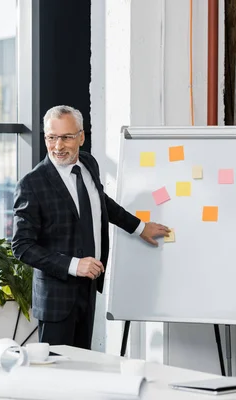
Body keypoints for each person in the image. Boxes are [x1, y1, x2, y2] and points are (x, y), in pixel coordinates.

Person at [12, 105, 170, 349]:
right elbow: (21, 246)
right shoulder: (32, 184)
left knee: (84, 368)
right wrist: (74, 265)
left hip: (88, 289)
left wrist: (139, 227)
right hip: (56, 300)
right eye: (51, 137)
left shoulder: (88, 164)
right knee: (58, 376)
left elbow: (100, 202)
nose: (58, 146)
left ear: (81, 137)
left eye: (66, 137)